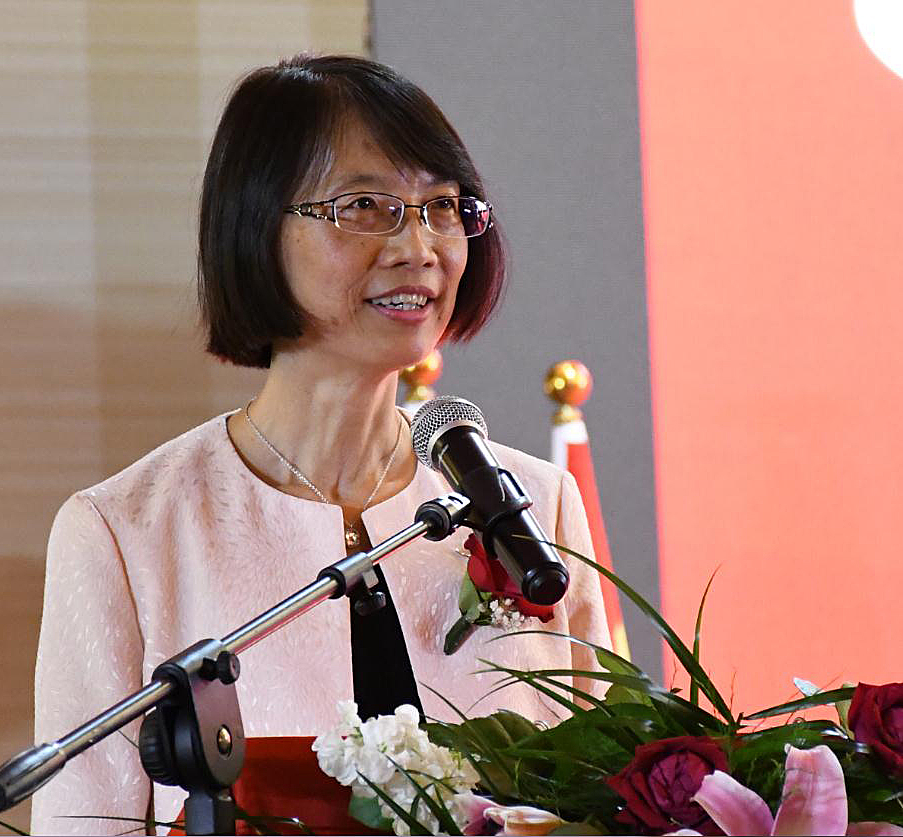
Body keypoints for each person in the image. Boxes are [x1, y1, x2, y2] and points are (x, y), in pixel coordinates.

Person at [30, 54, 611, 835]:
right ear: (256, 228)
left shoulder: (531, 502)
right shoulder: (127, 532)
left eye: (441, 206)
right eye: (366, 206)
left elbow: (596, 798)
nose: (420, 247)